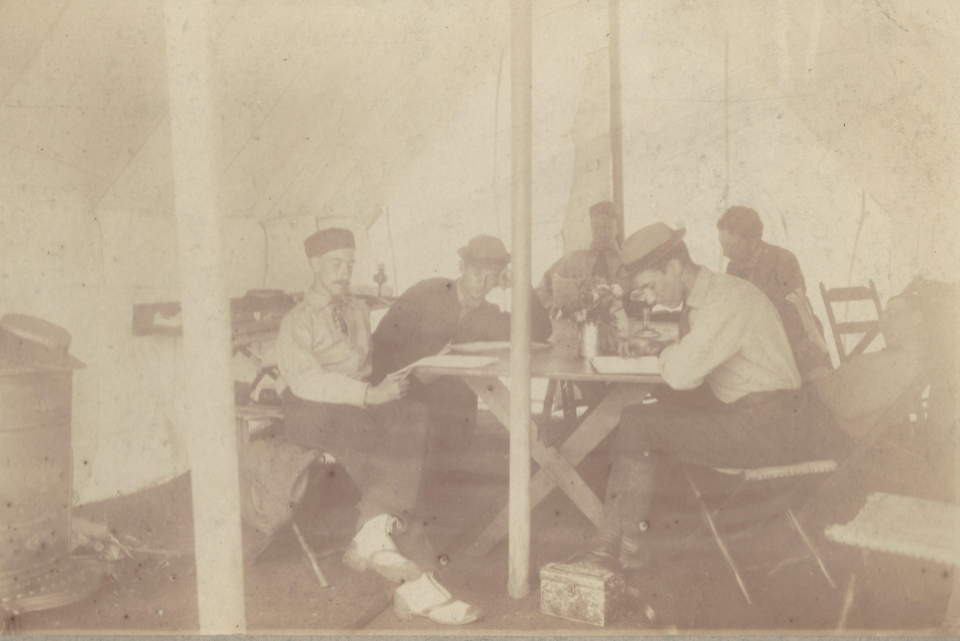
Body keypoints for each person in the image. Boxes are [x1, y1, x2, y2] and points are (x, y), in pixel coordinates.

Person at [577, 222, 847, 576]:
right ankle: (622, 548)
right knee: (647, 416)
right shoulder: (712, 297)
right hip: (763, 419)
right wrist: (672, 351)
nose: (651, 297)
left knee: (638, 422)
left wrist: (665, 353)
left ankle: (616, 554)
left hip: (770, 429)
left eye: (650, 285)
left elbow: (681, 374)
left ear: (673, 268)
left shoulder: (726, 301)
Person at [276, 227, 482, 626]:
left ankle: (379, 539)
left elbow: (367, 367)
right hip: (312, 412)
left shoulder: (356, 310)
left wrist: (400, 379)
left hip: (354, 406)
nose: (344, 271)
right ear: (314, 265)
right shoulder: (297, 320)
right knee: (396, 458)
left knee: (414, 415)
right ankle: (418, 582)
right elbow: (307, 382)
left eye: (350, 264)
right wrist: (371, 397)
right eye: (336, 263)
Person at [371, 234, 552, 456]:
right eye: (477, 274)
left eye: (491, 277)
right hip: (399, 393)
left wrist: (521, 285)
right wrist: (378, 393)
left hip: (452, 417)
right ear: (461, 267)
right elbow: (381, 341)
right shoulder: (426, 292)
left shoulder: (489, 316)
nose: (482, 284)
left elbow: (542, 332)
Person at [717, 206, 833, 380]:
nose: (725, 253)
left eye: (730, 246)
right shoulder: (733, 267)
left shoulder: (783, 261)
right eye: (722, 245)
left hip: (794, 343)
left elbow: (796, 317)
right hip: (759, 345)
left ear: (753, 240)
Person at [536, 200, 626, 311]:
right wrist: (552, 309)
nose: (600, 233)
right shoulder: (573, 260)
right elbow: (541, 288)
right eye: (595, 227)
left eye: (607, 227)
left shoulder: (627, 261)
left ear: (618, 229)